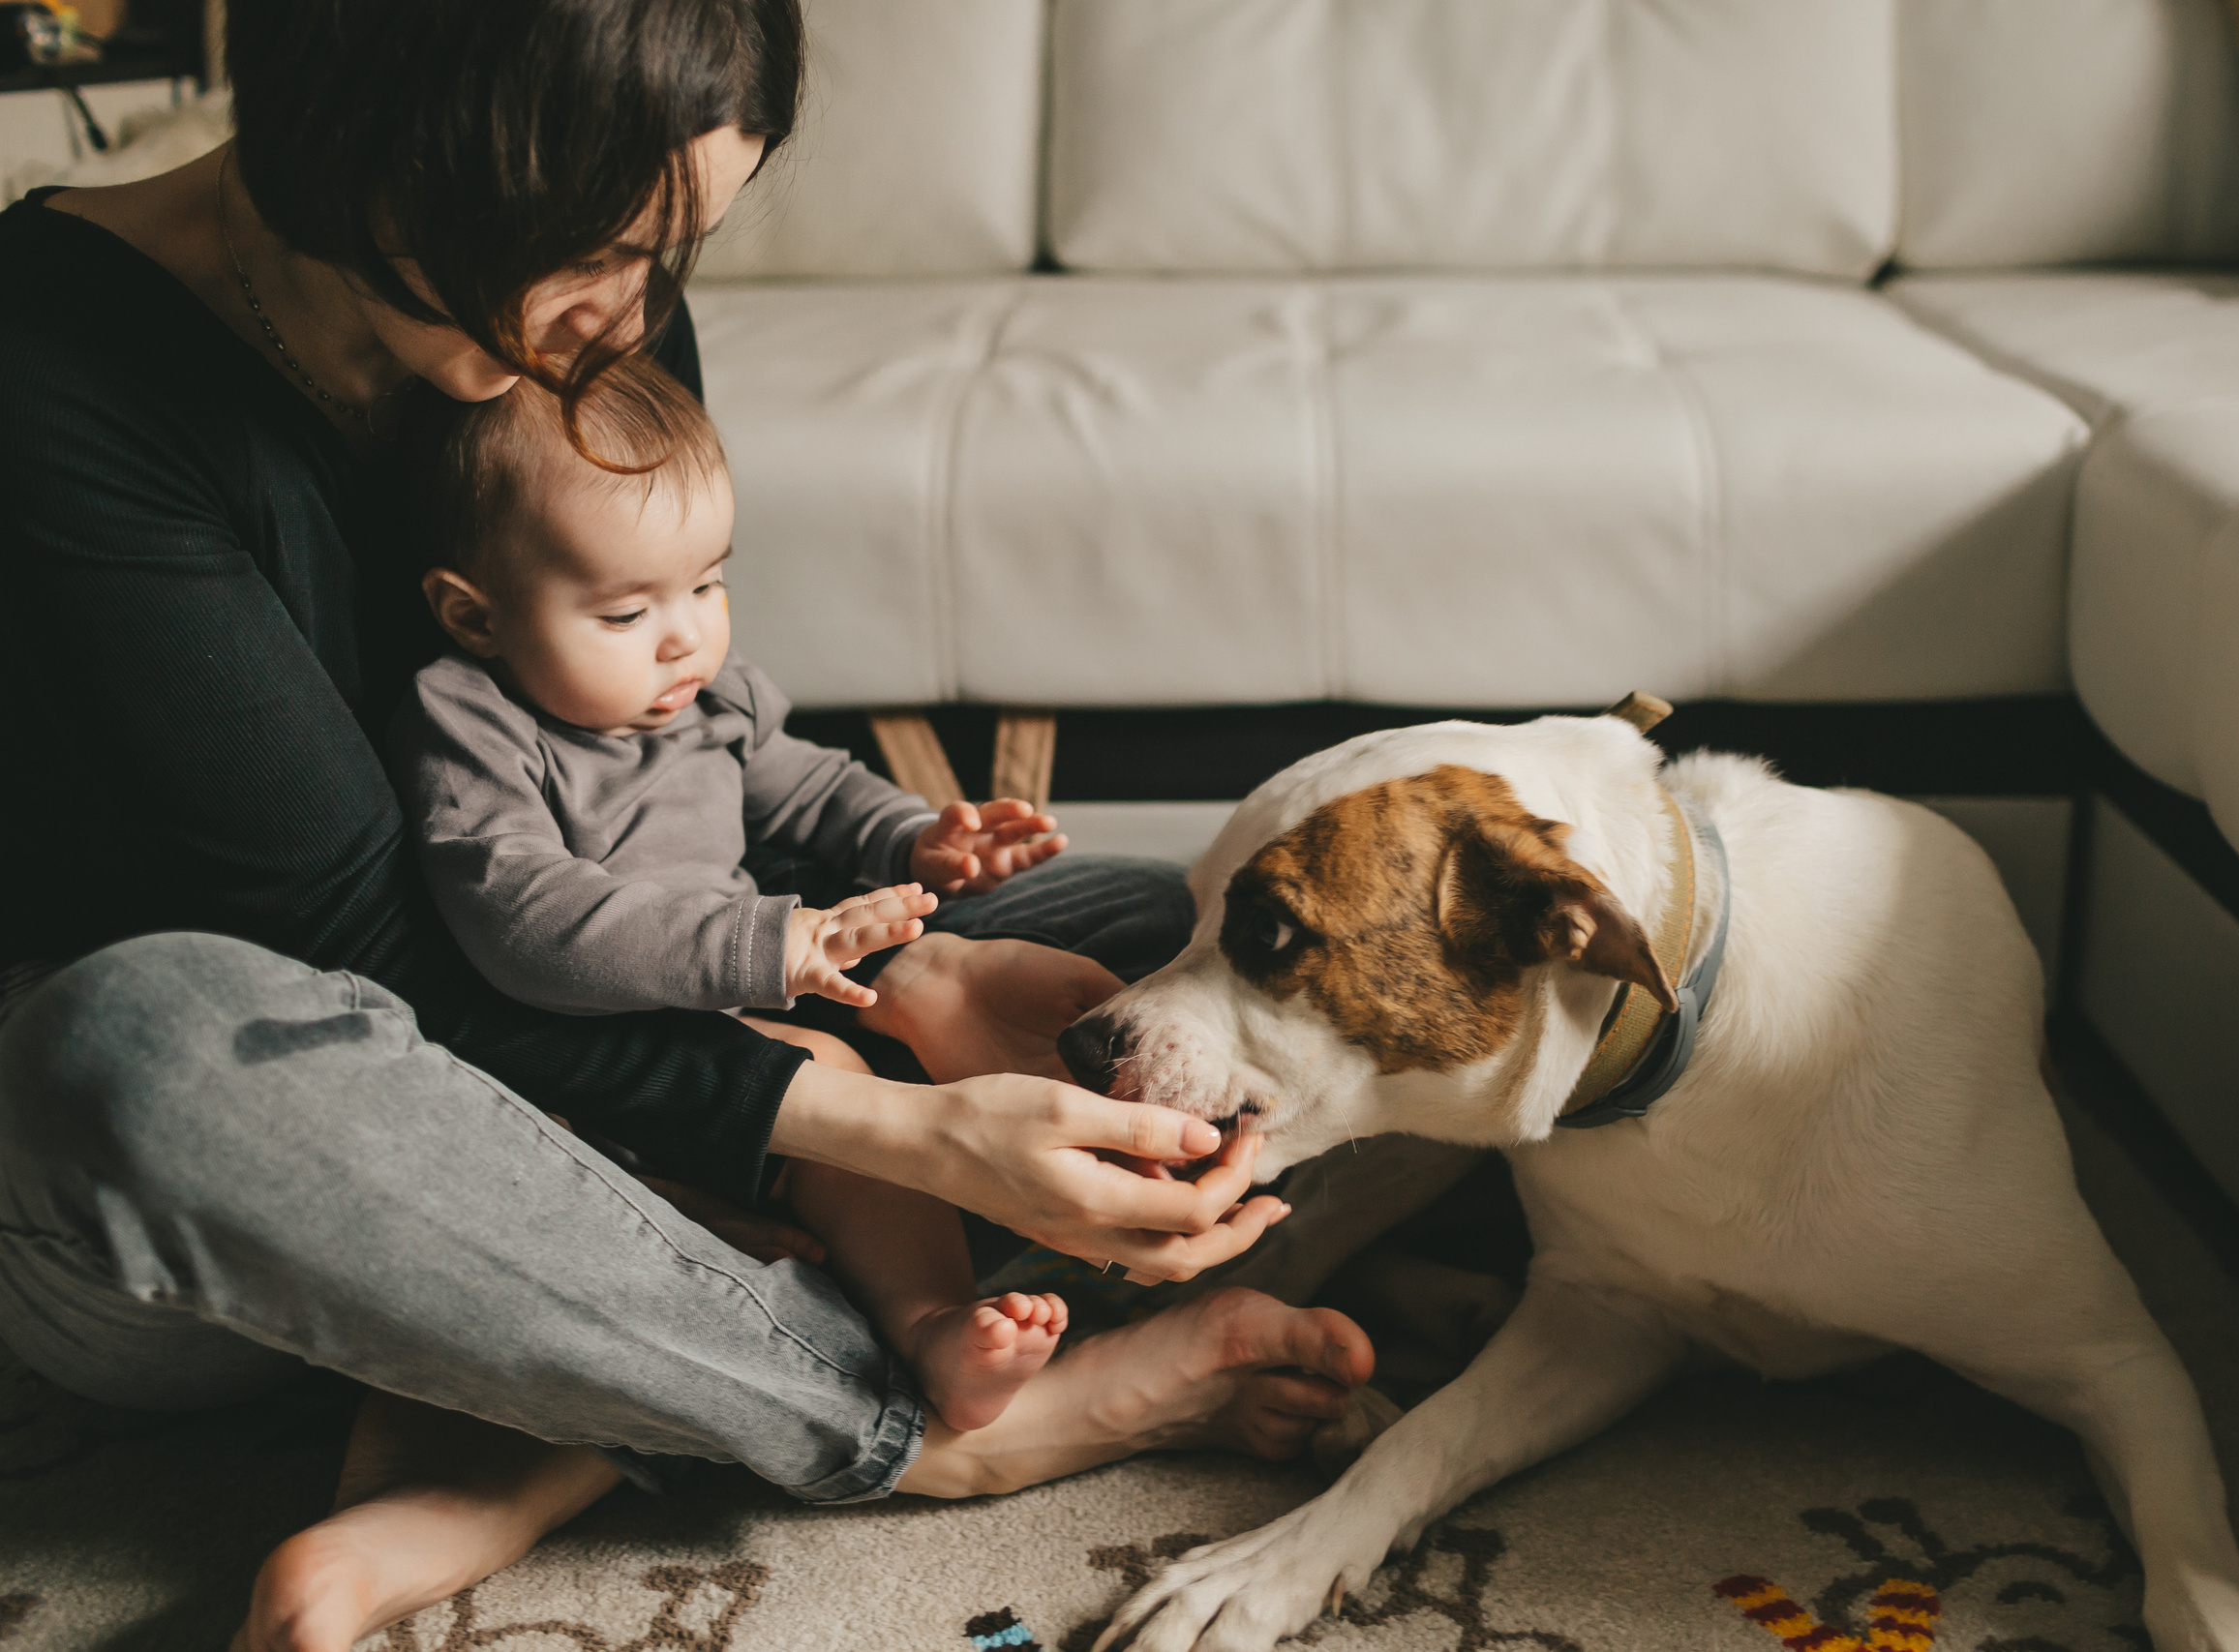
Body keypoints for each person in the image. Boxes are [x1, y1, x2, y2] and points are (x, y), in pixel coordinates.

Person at [0, 4, 1372, 1649]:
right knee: (137, 1045)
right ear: (377, 151)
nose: (626, 314)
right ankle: (917, 1430)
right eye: (586, 250)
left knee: (1177, 949)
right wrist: (900, 1125)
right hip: (293, 1150)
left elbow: (675, 764)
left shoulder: (586, 317)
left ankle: (601, 1398)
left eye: (672, 253)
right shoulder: (55, 377)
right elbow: (371, 957)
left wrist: (915, 959)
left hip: (636, 1028)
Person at [391, 354, 1089, 1434]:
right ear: (477, 619)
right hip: (579, 1060)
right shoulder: (472, 719)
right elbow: (520, 917)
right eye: (624, 614)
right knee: (843, 1085)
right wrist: (767, 943)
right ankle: (863, 1315)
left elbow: (807, 786)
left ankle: (942, 1328)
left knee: (1060, 969)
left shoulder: (703, 693)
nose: (686, 636)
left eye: (708, 584)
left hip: (746, 1004)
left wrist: (915, 838)